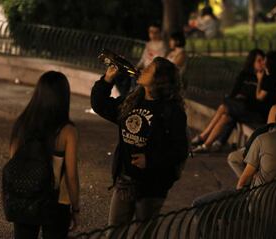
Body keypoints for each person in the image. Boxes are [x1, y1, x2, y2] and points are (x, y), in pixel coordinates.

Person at [91, 57, 188, 229]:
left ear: (159, 80)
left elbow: (179, 150)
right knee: (114, 229)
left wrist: (150, 160)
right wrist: (107, 79)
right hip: (125, 179)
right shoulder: (133, 100)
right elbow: (101, 105)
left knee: (143, 233)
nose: (143, 69)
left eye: (149, 69)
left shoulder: (171, 111)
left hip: (152, 185)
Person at [9, 71, 80, 239]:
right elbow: (71, 175)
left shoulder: (22, 124)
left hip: (26, 196)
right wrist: (75, 208)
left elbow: (13, 162)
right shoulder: (67, 131)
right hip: (56, 202)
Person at [192, 49, 276, 153]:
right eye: (259, 60)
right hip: (249, 109)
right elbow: (236, 92)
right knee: (227, 116)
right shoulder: (249, 75)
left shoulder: (267, 78)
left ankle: (204, 137)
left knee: (224, 108)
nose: (262, 63)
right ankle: (207, 144)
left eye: (264, 60)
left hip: (258, 114)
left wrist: (259, 80)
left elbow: (258, 98)